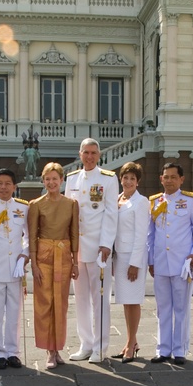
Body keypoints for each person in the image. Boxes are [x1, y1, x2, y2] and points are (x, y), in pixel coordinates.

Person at [65, 138, 118, 362]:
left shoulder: (108, 178)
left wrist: (106, 244)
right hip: (77, 249)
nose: (89, 156)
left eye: (93, 153)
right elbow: (68, 212)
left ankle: (100, 346)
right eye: (86, 152)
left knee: (100, 299)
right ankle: (86, 343)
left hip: (98, 249)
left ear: (99, 155)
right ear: (80, 154)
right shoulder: (72, 178)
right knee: (81, 299)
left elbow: (111, 213)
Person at [147, 163, 193, 365]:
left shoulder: (190, 200)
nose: (169, 180)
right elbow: (151, 235)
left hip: (182, 263)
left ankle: (179, 350)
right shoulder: (155, 202)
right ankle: (163, 349)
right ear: (161, 179)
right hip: (161, 262)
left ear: (181, 179)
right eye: (166, 177)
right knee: (163, 308)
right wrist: (150, 260)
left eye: (173, 177)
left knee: (181, 307)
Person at [29, 162, 79, 369]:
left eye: (54, 179)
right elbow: (32, 235)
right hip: (43, 255)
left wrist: (75, 261)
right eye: (47, 179)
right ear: (43, 181)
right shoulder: (36, 204)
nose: (51, 182)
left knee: (61, 303)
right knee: (44, 303)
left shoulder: (71, 204)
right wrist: (33, 263)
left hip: (64, 256)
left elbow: (74, 233)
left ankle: (57, 347)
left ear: (61, 180)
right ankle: (48, 350)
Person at [0, 168, 29, 369]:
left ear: (14, 187)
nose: (3, 187)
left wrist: (24, 255)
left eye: (8, 183)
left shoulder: (23, 207)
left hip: (15, 270)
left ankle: (12, 352)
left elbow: (28, 237)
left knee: (14, 313)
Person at [111, 161, 148, 363]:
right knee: (126, 302)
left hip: (133, 257)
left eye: (132, 178)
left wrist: (135, 263)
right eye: (125, 177)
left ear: (138, 181)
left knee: (133, 301)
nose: (128, 181)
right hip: (120, 256)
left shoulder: (141, 202)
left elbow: (141, 234)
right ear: (121, 179)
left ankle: (132, 343)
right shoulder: (117, 199)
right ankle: (129, 342)